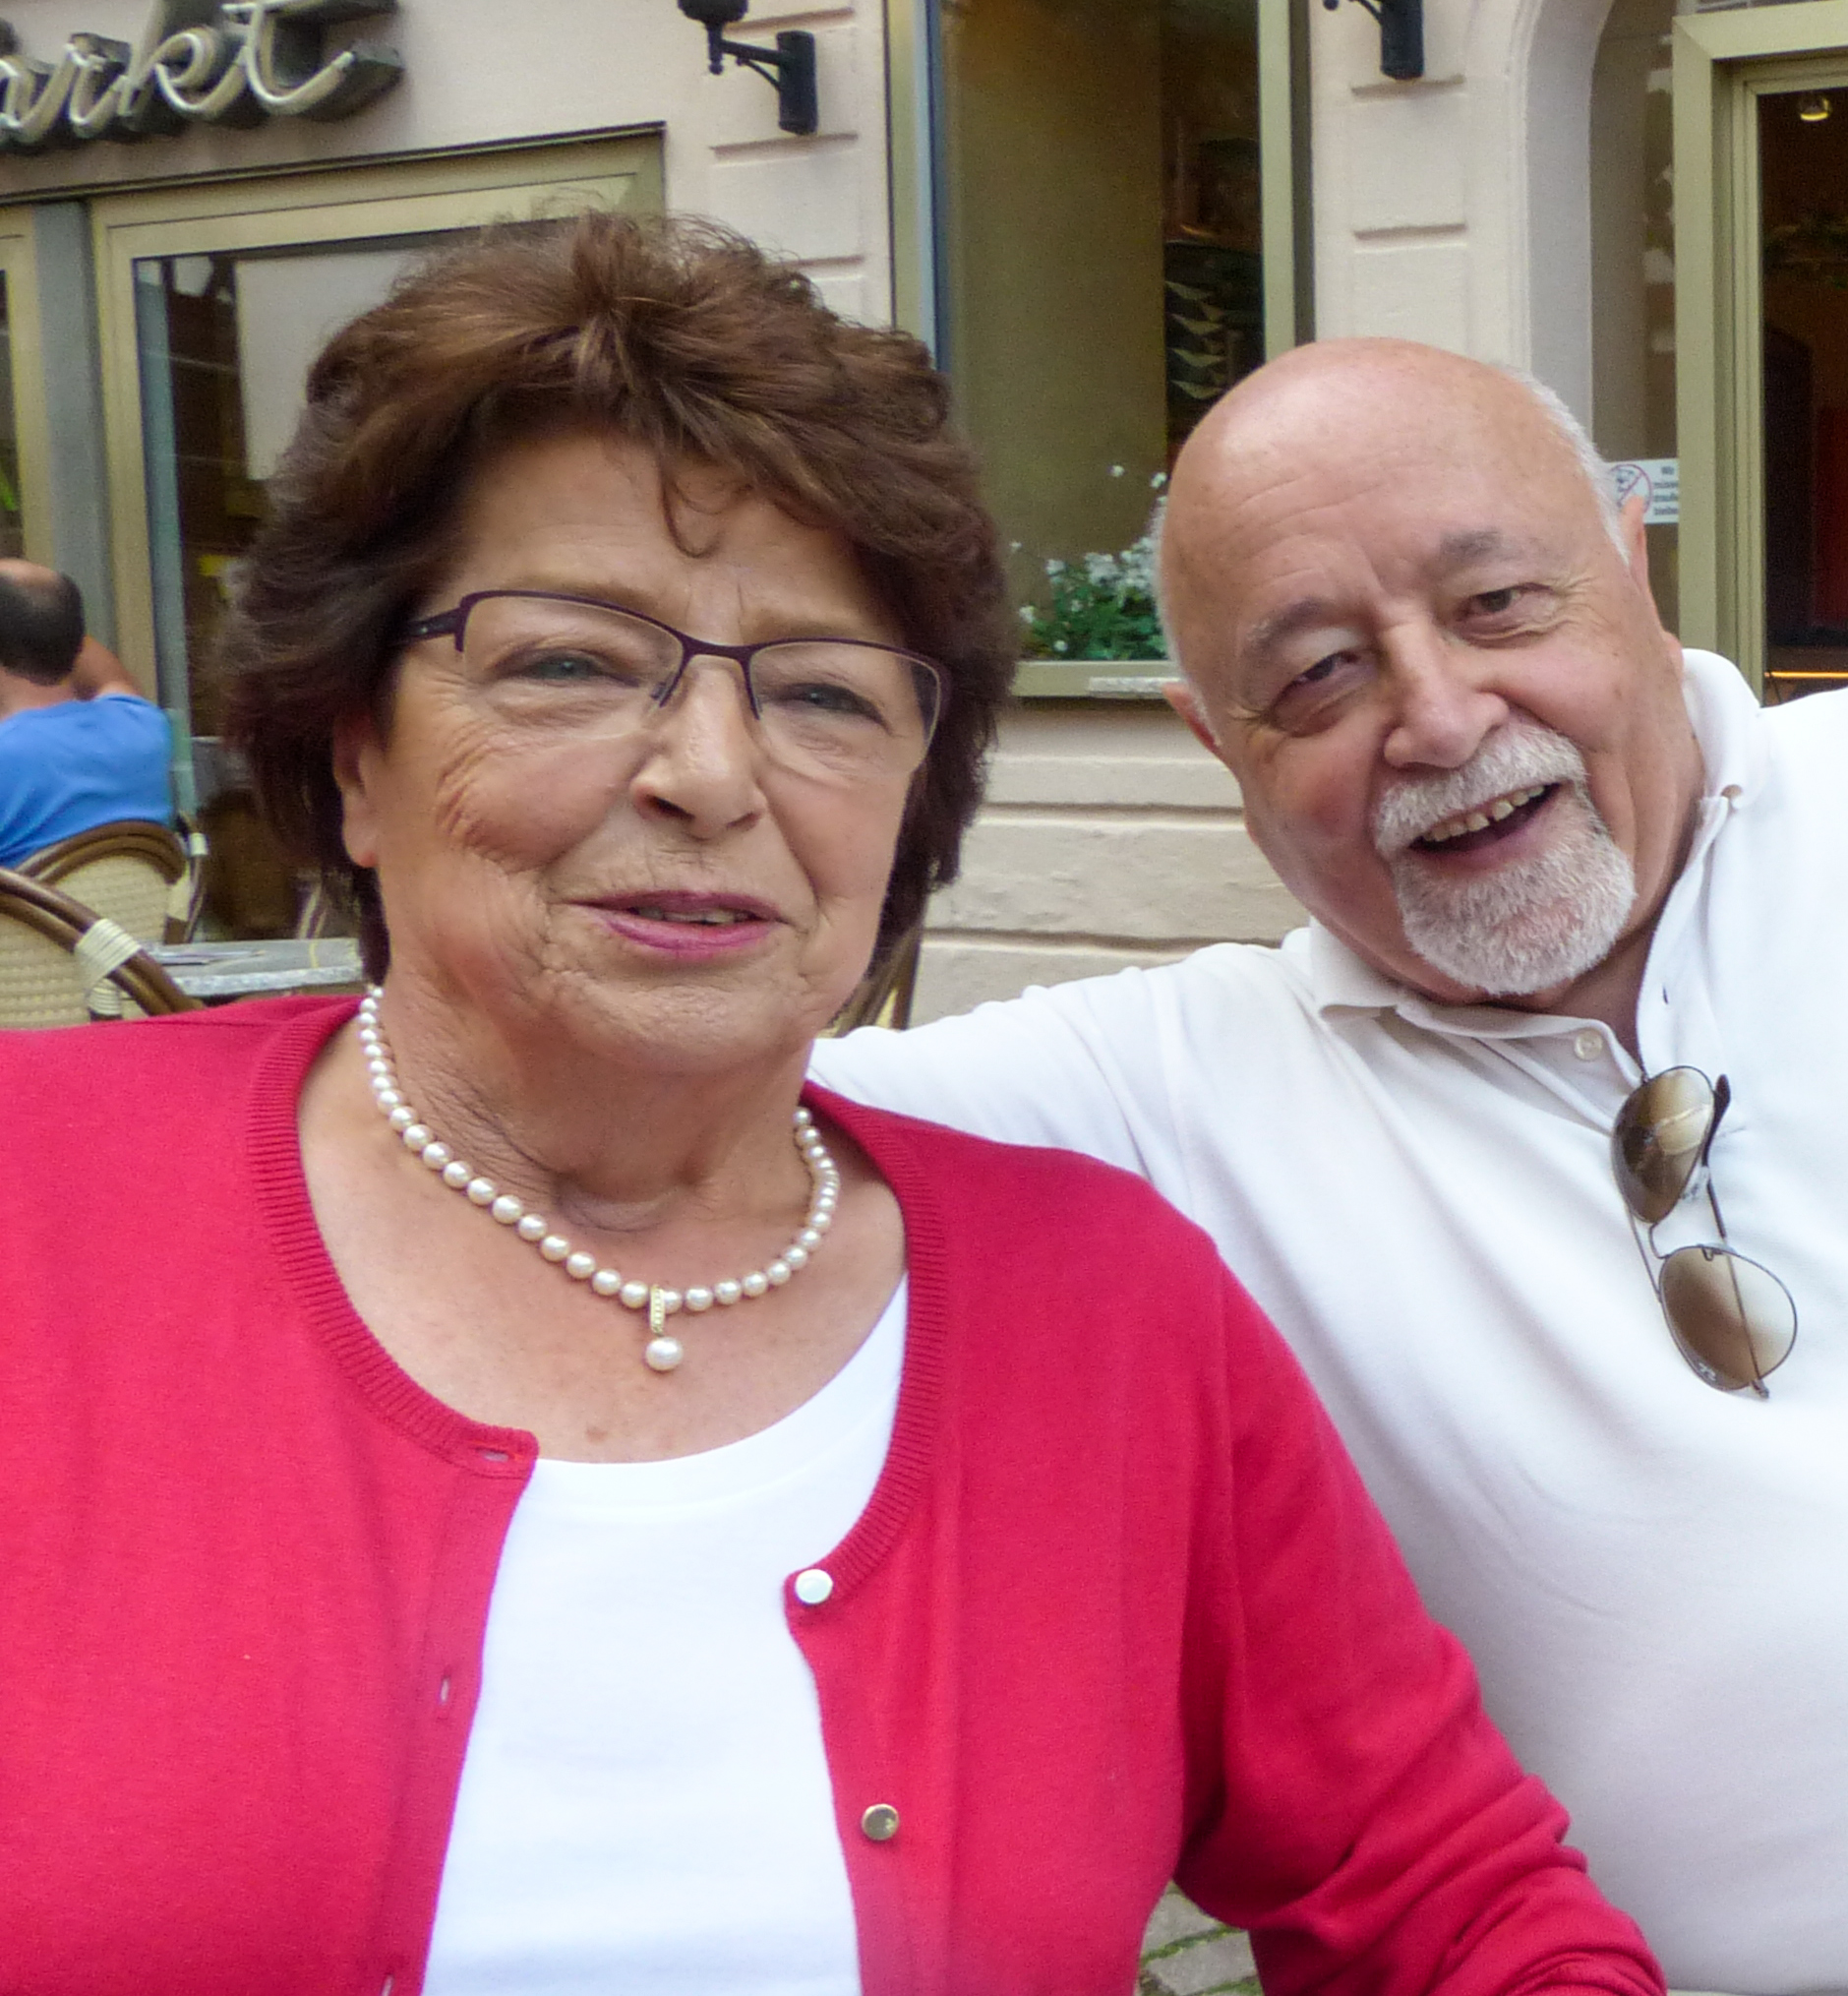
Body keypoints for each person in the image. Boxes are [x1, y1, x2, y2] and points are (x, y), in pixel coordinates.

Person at [0, 218, 1659, 1996]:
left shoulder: (1106, 1311)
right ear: (353, 750)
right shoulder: (43, 1198)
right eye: (569, 662)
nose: (712, 774)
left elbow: (1455, 1904)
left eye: (819, 693)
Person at [814, 337, 1848, 1996]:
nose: (1438, 716)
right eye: (1318, 677)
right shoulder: (1158, 1097)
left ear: (1631, 566)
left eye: (1496, 604)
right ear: (1215, 741)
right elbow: (691, 1130)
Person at [0, 557, 171, 867]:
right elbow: (110, 676)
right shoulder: (144, 727)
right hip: (138, 900)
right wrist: (56, 622)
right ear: (78, 643)